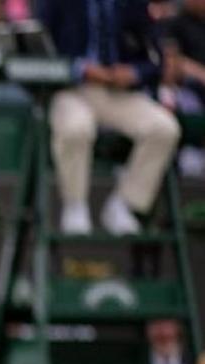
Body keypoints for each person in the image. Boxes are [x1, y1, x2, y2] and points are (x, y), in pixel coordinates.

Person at [40, 0, 181, 235]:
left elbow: (154, 61)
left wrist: (133, 73)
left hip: (118, 93)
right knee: (77, 127)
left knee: (164, 128)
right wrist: (81, 70)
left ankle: (125, 204)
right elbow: (39, 49)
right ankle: (75, 205)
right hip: (70, 90)